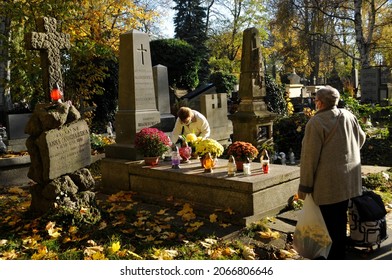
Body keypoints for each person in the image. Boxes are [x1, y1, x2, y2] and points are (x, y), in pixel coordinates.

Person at [297, 85, 366, 260]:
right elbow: (362, 138)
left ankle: (332, 259)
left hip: (328, 184)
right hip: (348, 181)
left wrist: (305, 186)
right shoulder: (349, 115)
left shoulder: (316, 122)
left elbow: (309, 158)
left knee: (327, 223)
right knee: (340, 219)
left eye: (315, 100)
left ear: (319, 103)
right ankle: (339, 254)